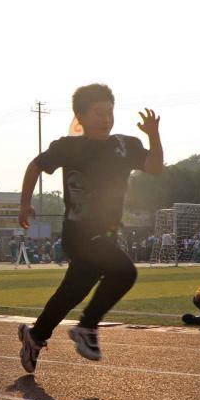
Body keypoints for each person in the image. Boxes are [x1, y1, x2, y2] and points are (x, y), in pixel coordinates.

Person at [16, 84, 164, 370]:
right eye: (98, 112)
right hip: (79, 232)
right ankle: (87, 327)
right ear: (80, 116)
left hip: (108, 233)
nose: (106, 118)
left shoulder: (125, 144)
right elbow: (35, 166)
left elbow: (155, 167)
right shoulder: (68, 147)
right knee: (125, 272)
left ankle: (35, 336)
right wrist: (24, 204)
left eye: (109, 111)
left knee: (71, 293)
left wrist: (154, 136)